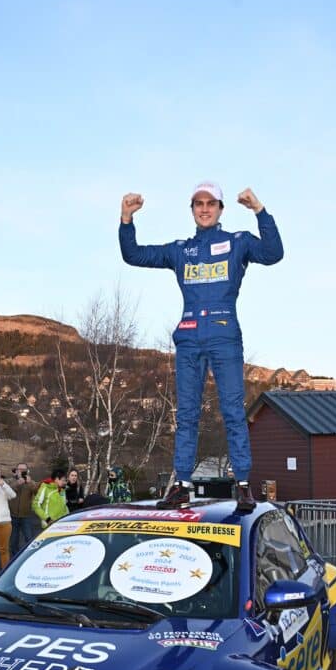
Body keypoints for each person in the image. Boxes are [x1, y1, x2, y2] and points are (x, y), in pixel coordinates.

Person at [119, 181, 283, 510]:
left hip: (224, 334)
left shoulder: (237, 243)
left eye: (211, 203)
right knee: (188, 415)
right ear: (192, 209)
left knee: (234, 412)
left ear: (221, 209)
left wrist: (259, 210)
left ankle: (243, 486)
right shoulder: (180, 250)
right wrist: (126, 219)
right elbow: (133, 255)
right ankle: (181, 485)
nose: (204, 208)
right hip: (190, 336)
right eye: (198, 203)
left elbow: (273, 253)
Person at [9, 462, 38, 554]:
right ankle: (14, 559)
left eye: (24, 470)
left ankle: (29, 556)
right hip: (12, 515)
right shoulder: (11, 481)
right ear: (16, 471)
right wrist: (18, 483)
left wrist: (29, 483)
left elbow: (37, 492)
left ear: (27, 471)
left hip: (26, 516)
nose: (21, 471)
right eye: (20, 469)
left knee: (29, 539)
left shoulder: (31, 482)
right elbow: (8, 490)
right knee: (13, 540)